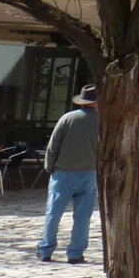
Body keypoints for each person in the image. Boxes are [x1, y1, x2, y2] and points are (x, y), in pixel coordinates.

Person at [36, 85, 98, 264]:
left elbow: (53, 146)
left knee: (54, 213)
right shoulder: (102, 122)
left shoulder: (67, 118)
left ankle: (46, 249)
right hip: (89, 173)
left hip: (63, 173)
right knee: (82, 216)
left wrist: (50, 167)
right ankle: (75, 253)